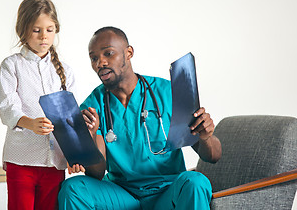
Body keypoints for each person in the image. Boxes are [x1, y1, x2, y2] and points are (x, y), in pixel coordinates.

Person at [58, 26, 222, 210]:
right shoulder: (92, 106)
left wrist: (206, 137)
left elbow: (214, 156)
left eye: (108, 54)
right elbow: (96, 173)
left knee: (196, 182)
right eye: (94, 58)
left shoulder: (168, 92)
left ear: (128, 53)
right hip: (122, 195)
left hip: (168, 192)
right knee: (73, 188)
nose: (100, 63)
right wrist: (90, 135)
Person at [0, 0, 76, 210]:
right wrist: (30, 123)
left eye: (49, 30)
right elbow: (8, 108)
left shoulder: (65, 72)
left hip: (55, 162)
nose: (44, 36)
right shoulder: (11, 66)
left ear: (56, 30)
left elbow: (69, 118)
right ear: (22, 30)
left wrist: (73, 154)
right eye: (36, 30)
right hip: (21, 160)